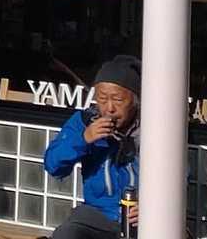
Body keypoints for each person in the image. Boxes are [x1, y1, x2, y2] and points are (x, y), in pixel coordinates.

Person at [41, 56, 143, 239]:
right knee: (67, 233)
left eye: (118, 100)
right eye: (102, 99)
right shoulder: (84, 122)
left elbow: (178, 177)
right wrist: (83, 139)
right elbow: (53, 165)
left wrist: (153, 206)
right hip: (98, 214)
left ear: (135, 100)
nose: (109, 108)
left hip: (141, 217)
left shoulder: (153, 129)